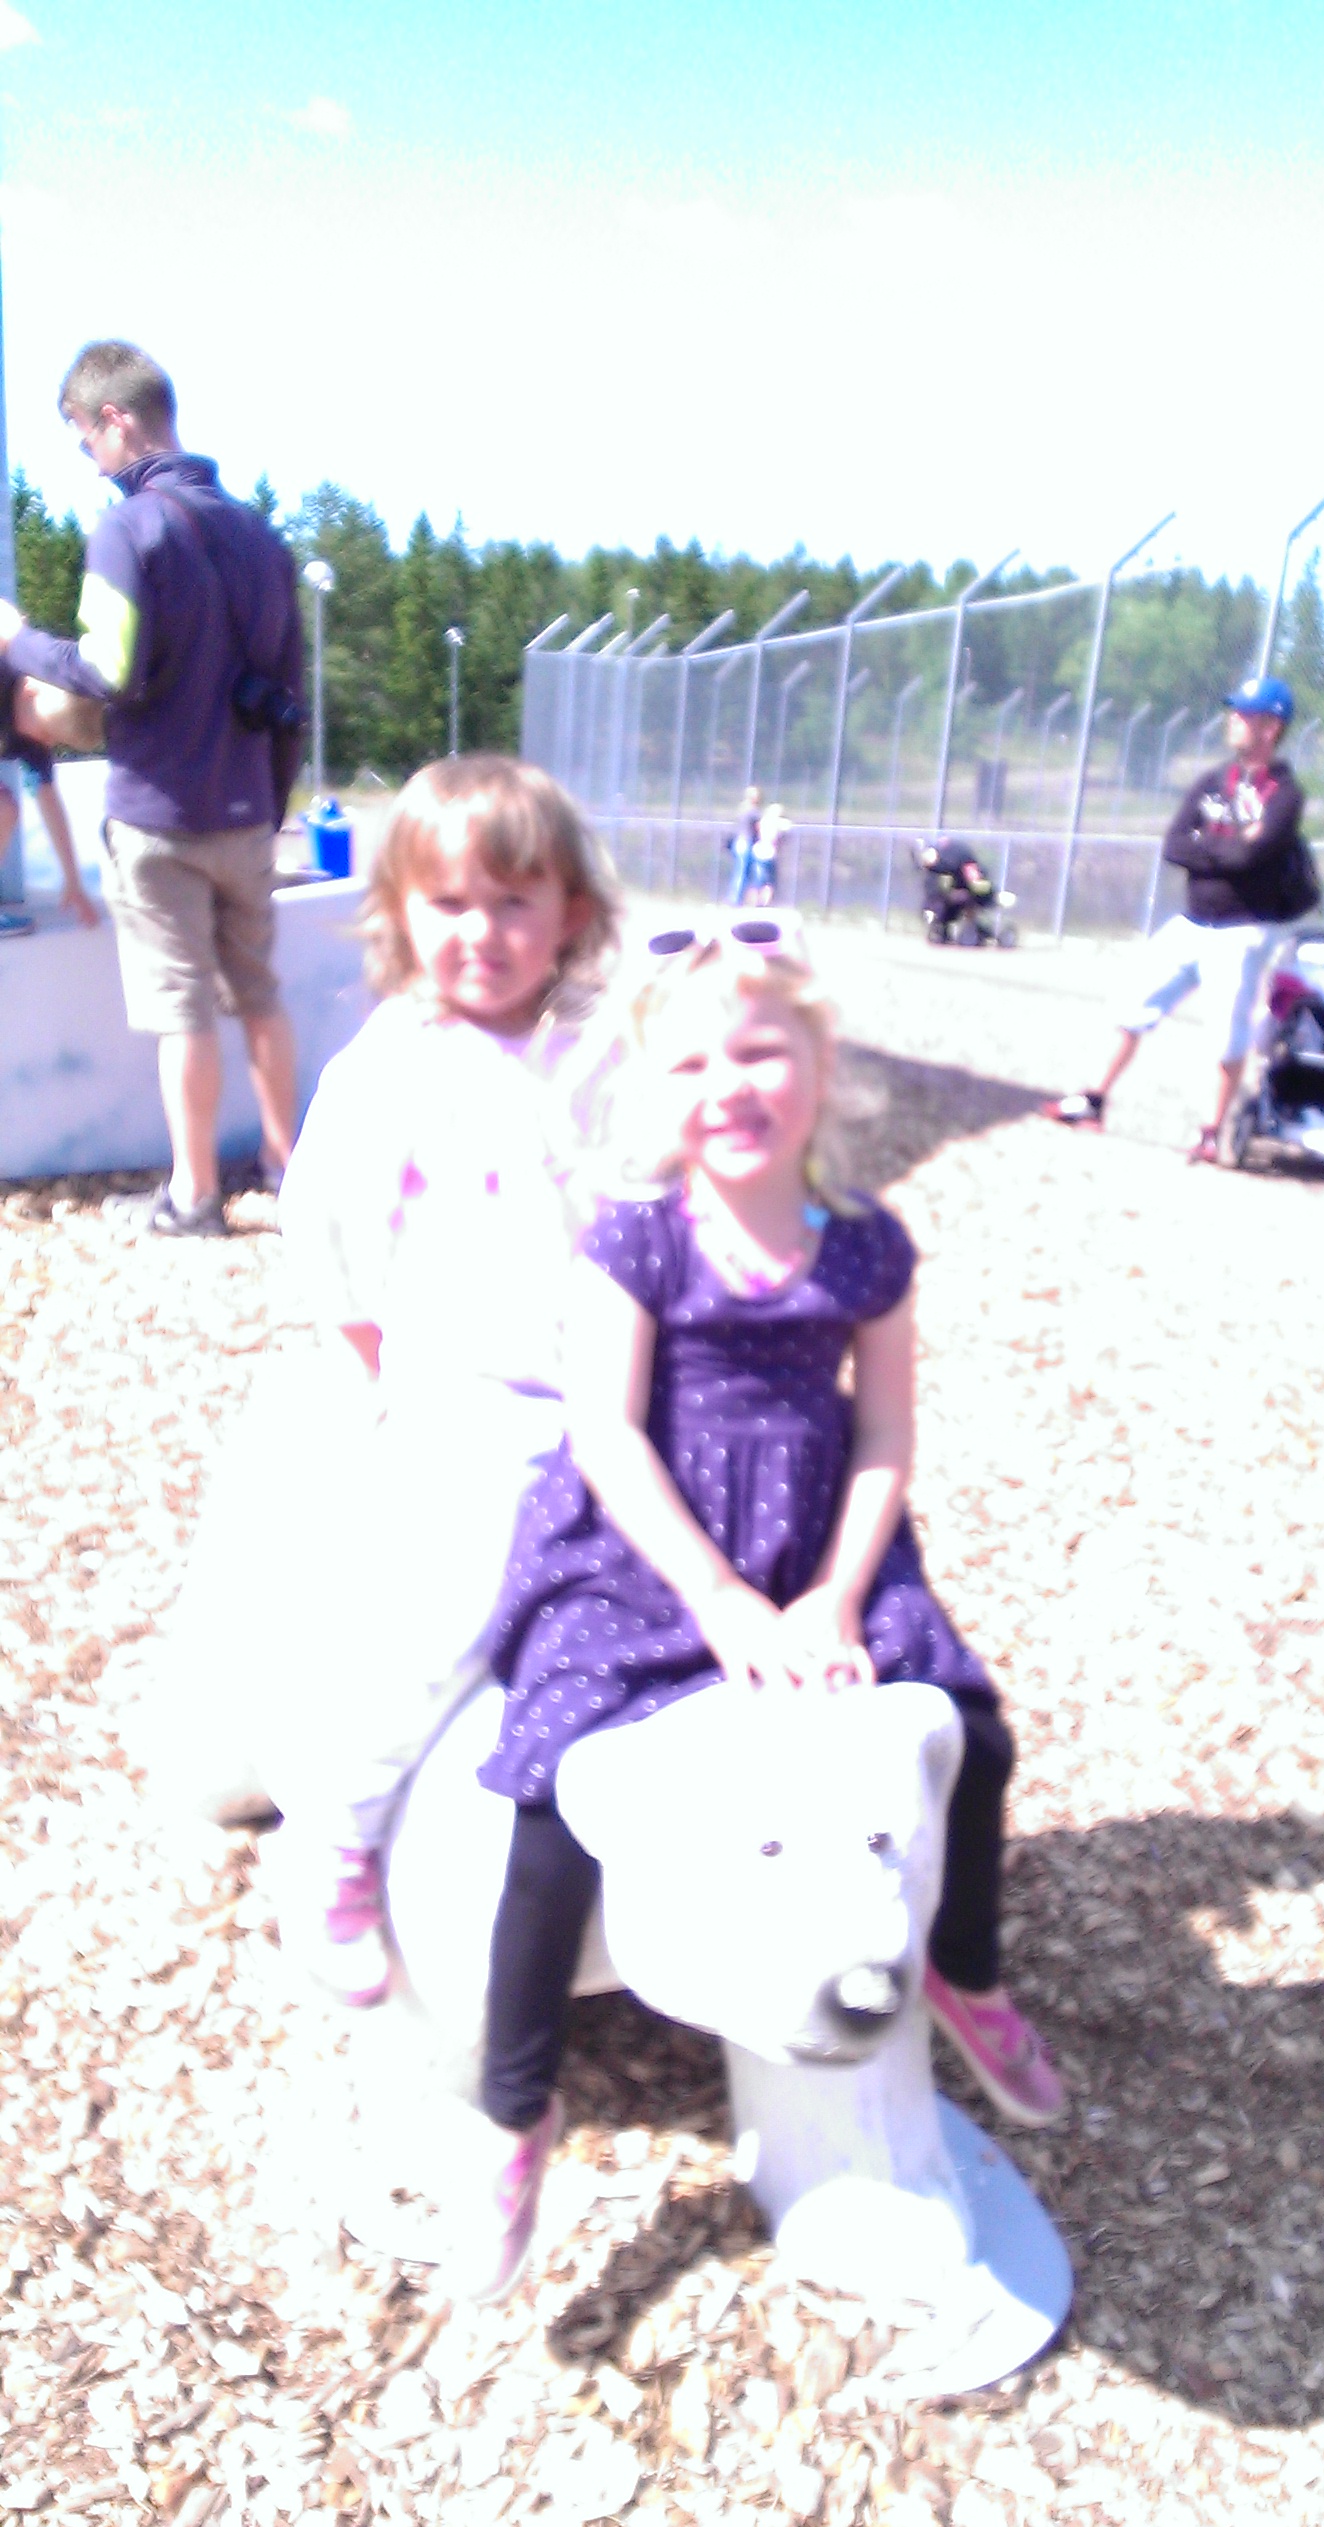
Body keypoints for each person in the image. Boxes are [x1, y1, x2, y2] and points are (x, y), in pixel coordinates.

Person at [457, 912, 1064, 2302]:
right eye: (689, 1065)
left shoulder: (865, 1248)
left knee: (968, 1733)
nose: (726, 1086)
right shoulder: (640, 1240)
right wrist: (719, 1598)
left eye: (758, 1052)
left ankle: (964, 1969)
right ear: (648, 1091)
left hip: (815, 1537)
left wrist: (838, 1592)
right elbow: (608, 1435)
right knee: (553, 1806)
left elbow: (884, 1436)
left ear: (819, 1064)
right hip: (651, 1543)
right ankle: (513, 2110)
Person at [244, 756, 620, 2003]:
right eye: (449, 903)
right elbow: (329, 1230)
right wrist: (376, 1361)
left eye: (514, 901)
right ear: (399, 914)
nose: (481, 931)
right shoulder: (392, 1065)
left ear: (570, 911)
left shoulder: (602, 1051)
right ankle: (335, 1832)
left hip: (615, 1387)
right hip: (476, 1390)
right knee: (451, 1603)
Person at [0, 340, 304, 1233]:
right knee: (261, 997)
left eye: (83, 438)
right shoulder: (259, 536)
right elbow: (289, 692)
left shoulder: (128, 529)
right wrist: (269, 803)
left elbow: (108, 667)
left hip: (159, 821)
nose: (87, 460)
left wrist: (18, 642)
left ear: (115, 419)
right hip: (247, 814)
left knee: (183, 1012)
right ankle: (288, 1170)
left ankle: (194, 1196)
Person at [1044, 676, 1314, 1163]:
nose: (1233, 721)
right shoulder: (1214, 782)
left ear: (1271, 727)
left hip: (1242, 931)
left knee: (1227, 1035)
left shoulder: (1285, 794)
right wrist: (1230, 844)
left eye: (1245, 715)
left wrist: (1210, 846)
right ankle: (1093, 1100)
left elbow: (1251, 857)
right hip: (1192, 923)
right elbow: (1175, 845)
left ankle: (1212, 1132)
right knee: (1131, 1005)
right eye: (1235, 712)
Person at [0, 678, 101, 934]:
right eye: (45, 733)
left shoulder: (33, 738)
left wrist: (72, 879)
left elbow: (48, 798)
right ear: (29, 691)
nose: (45, 742)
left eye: (53, 740)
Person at [725, 784, 761, 904]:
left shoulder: (742, 809)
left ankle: (736, 898)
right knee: (742, 871)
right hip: (745, 842)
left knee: (740, 870)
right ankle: (735, 899)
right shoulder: (752, 811)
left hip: (738, 842)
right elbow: (758, 827)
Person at [748, 799, 789, 900]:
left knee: (759, 878)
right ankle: (762, 900)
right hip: (768, 852)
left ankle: (756, 899)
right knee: (768, 880)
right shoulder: (776, 823)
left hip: (760, 851)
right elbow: (786, 827)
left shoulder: (763, 821)